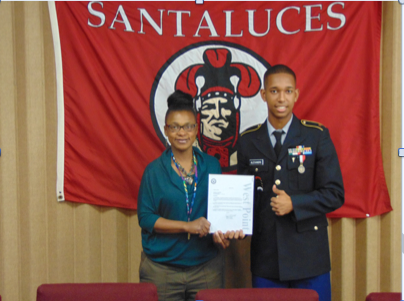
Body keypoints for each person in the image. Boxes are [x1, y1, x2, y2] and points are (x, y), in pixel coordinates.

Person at [237, 65, 344, 301]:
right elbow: (243, 199)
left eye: (287, 91)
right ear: (264, 95)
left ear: (296, 94)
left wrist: (294, 203)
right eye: (274, 91)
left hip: (309, 259)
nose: (281, 98)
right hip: (267, 259)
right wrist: (231, 225)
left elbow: (335, 193)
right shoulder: (247, 140)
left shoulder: (316, 136)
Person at [138, 90, 243, 301]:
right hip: (162, 270)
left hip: (205, 268)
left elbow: (218, 211)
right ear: (166, 130)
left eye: (188, 126)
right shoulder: (154, 171)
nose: (182, 133)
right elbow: (146, 218)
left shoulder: (211, 165)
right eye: (175, 127)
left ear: (196, 130)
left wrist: (220, 232)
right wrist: (187, 226)